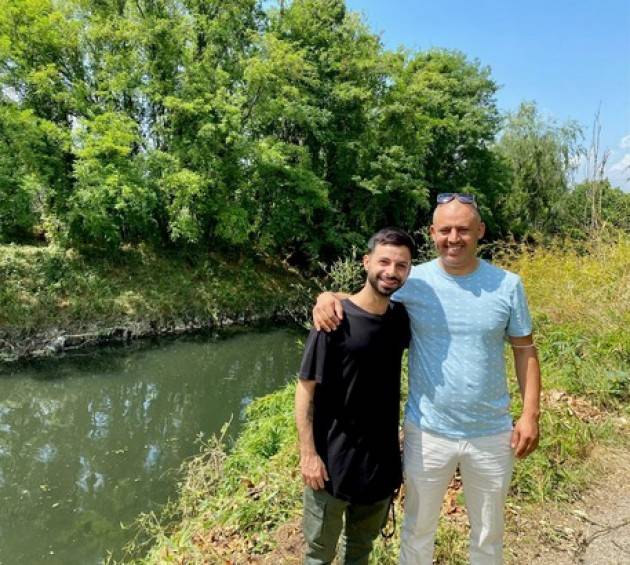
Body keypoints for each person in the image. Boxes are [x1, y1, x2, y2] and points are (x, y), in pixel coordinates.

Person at [313, 194, 541, 565]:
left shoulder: (507, 285)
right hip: (428, 432)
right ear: (432, 232)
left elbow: (525, 350)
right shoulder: (412, 279)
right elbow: (365, 298)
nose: (454, 238)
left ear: (480, 231)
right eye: (445, 230)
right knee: (417, 530)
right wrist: (326, 296)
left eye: (463, 229)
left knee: (488, 532)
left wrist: (530, 414)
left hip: (492, 432)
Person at [295, 227, 415, 565]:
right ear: (366, 262)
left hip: (380, 466)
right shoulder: (333, 321)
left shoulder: (400, 319)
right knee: (319, 554)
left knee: (360, 551)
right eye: (384, 261)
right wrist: (309, 455)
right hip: (331, 467)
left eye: (401, 265)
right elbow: (305, 392)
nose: (391, 272)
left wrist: (330, 292)